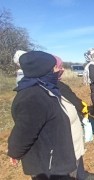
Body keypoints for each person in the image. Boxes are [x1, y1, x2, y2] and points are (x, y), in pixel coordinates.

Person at [7, 51, 77, 179]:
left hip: (54, 158)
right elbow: (24, 130)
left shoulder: (45, 88)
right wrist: (15, 152)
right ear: (44, 70)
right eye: (54, 67)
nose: (58, 70)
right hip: (48, 164)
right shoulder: (33, 97)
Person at [55, 56, 94, 180]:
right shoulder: (54, 86)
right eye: (59, 67)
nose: (63, 69)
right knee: (71, 155)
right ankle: (78, 176)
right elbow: (73, 100)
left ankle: (81, 175)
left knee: (76, 154)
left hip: (67, 128)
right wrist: (81, 106)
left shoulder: (51, 84)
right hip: (62, 130)